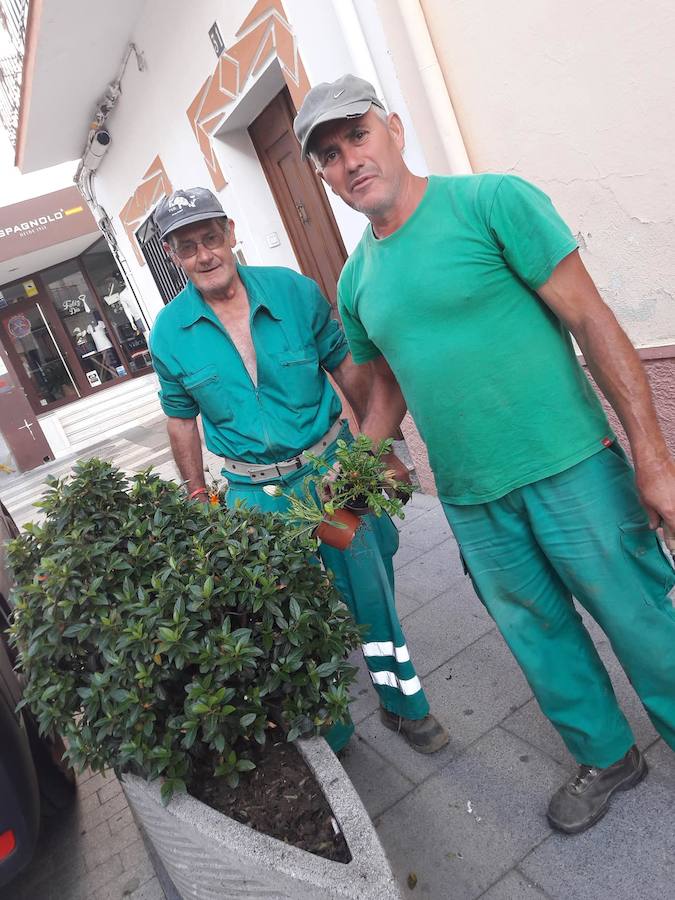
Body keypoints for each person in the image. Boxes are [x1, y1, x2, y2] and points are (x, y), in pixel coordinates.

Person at [293, 74, 675, 834]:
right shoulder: (357, 280)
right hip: (472, 501)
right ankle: (607, 755)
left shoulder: (490, 202)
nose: (349, 162)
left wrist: (652, 456)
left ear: (393, 129)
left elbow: (592, 320)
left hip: (570, 467)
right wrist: (356, 466)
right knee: (538, 639)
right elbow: (389, 389)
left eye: (357, 136)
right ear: (326, 177)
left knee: (641, 621)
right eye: (329, 156)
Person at [148, 186, 449, 756]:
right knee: (286, 611)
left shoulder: (293, 291)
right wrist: (194, 497)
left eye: (211, 238)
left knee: (370, 584)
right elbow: (180, 421)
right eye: (188, 247)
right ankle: (333, 725)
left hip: (331, 473)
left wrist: (380, 448)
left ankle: (403, 705)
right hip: (251, 497)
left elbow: (348, 369)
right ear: (175, 255)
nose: (204, 254)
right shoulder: (168, 332)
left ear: (230, 233)